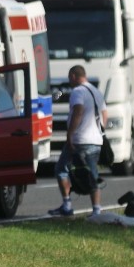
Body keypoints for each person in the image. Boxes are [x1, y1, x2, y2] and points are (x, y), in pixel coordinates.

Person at [49, 65, 107, 217]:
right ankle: (96, 210)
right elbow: (105, 114)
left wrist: (70, 134)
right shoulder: (97, 92)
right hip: (96, 140)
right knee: (92, 173)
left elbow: (78, 111)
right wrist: (100, 131)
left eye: (69, 78)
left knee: (61, 169)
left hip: (80, 139)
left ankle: (67, 205)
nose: (69, 81)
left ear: (74, 76)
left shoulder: (78, 91)